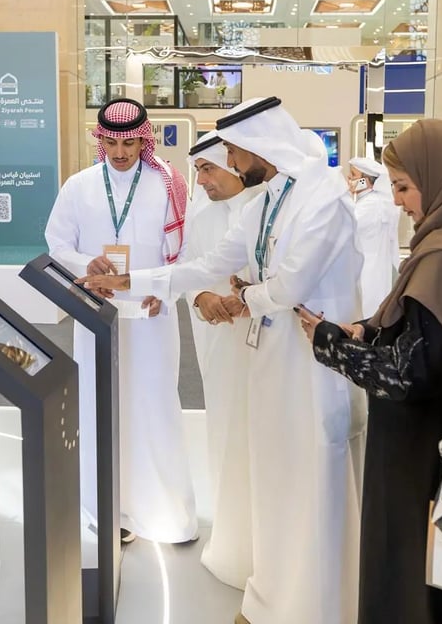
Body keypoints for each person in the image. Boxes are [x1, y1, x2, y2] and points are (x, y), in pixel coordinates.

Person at [81, 96, 365, 624]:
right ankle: (273, 597)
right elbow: (209, 263)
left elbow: (292, 284)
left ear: (261, 144)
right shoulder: (267, 200)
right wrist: (130, 281)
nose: (231, 163)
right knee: (274, 477)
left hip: (315, 363)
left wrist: (244, 298)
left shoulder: (322, 196)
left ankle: (314, 607)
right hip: (271, 358)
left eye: (234, 152)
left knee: (310, 481)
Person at [298, 119, 442, 624]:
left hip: (419, 452)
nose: (397, 201)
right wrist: (366, 329)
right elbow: (426, 334)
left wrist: (330, 344)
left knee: (407, 572)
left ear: (440, 179)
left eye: (405, 187)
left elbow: (408, 375)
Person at [44, 98, 198, 544]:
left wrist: (164, 290)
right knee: (99, 403)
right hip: (96, 313)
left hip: (151, 316)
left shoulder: (168, 184)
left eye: (129, 143)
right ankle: (107, 509)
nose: (120, 152)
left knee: (153, 402)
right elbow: (57, 245)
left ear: (143, 140)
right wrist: (86, 264)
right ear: (100, 140)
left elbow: (187, 252)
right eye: (111, 143)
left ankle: (163, 509)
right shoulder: (79, 186)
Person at [182, 132, 262, 588]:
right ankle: (232, 543)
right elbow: (189, 270)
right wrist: (202, 297)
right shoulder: (200, 216)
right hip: (218, 343)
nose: (203, 181)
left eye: (209, 169)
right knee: (226, 432)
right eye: (199, 172)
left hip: (265, 344)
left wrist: (248, 299)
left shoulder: (265, 208)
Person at [348, 156, 402, 316]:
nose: (349, 178)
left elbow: (347, 230)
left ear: (365, 181)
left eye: (353, 175)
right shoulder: (369, 201)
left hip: (368, 271)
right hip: (370, 268)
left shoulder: (370, 204)